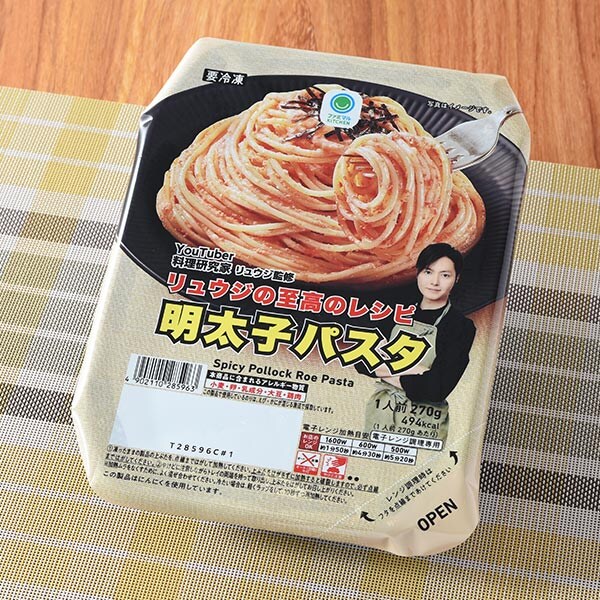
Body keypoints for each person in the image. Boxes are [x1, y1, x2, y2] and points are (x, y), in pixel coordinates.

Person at [364, 243, 476, 441]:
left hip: (424, 422)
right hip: (381, 412)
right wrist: (418, 371)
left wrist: (387, 368)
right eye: (428, 272)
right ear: (417, 273)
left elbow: (436, 388)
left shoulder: (461, 327)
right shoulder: (394, 313)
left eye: (445, 275)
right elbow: (363, 361)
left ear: (456, 279)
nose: (434, 282)